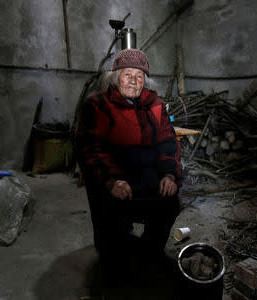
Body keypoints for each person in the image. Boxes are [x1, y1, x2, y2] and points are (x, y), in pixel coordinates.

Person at [75, 49, 182, 267]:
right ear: (116, 78)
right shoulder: (97, 105)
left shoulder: (156, 105)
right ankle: (112, 260)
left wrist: (169, 174)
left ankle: (150, 250)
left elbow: (167, 142)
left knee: (170, 201)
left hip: (146, 172)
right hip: (112, 173)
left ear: (145, 81)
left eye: (139, 76)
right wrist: (111, 180)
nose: (133, 81)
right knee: (110, 213)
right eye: (127, 74)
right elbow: (89, 148)